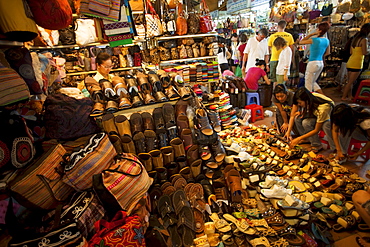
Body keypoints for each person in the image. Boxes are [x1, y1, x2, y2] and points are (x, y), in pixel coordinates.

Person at [284, 87, 335, 153]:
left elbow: (316, 130)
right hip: (315, 112)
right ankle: (307, 139)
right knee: (298, 118)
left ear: (306, 100)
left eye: (300, 103)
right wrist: (288, 132)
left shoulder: (323, 109)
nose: (299, 105)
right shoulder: (307, 97)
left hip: (327, 117)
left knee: (306, 123)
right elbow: (292, 115)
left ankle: (317, 145)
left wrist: (299, 138)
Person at [299, 22, 330, 94]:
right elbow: (328, 52)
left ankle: (309, 99)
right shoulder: (326, 41)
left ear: (319, 30)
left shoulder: (314, 40)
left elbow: (301, 42)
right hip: (320, 62)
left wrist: (311, 34)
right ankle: (322, 96)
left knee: (308, 83)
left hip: (312, 62)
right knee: (313, 82)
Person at [342, 23, 370, 101]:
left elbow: (351, 52)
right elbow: (364, 52)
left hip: (351, 61)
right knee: (351, 82)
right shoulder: (364, 40)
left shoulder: (355, 39)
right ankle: (344, 97)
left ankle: (350, 96)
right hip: (357, 62)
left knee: (349, 81)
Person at [268, 20, 294, 84]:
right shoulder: (289, 36)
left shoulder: (272, 36)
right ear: (285, 27)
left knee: (274, 80)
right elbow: (292, 48)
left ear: (277, 26)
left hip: (274, 59)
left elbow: (268, 48)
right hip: (280, 62)